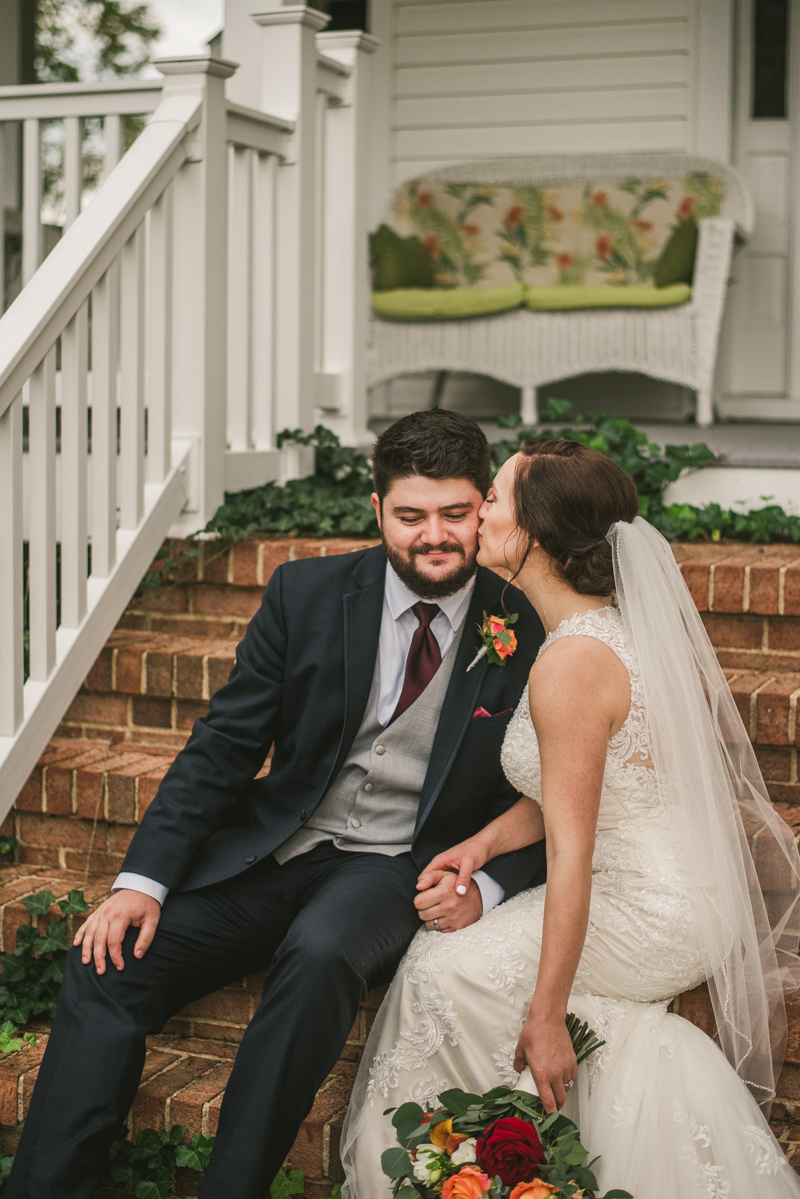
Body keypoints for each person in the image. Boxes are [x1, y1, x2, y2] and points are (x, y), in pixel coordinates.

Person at [6, 410, 547, 1199]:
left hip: (396, 865)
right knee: (108, 958)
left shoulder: (526, 620)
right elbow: (224, 744)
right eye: (410, 515)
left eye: (455, 513)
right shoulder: (309, 591)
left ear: (484, 507)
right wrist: (141, 881)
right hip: (278, 846)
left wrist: (488, 886)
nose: (435, 535)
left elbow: (565, 794)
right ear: (376, 510)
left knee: (322, 951)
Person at [342, 438, 800, 1199]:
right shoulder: (598, 630)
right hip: (673, 882)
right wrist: (481, 844)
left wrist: (549, 1015)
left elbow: (574, 850)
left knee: (441, 972)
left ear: (536, 533)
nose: (477, 513)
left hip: (652, 908)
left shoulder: (571, 664)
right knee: (451, 963)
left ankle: (473, 1170)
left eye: (492, 499)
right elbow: (572, 790)